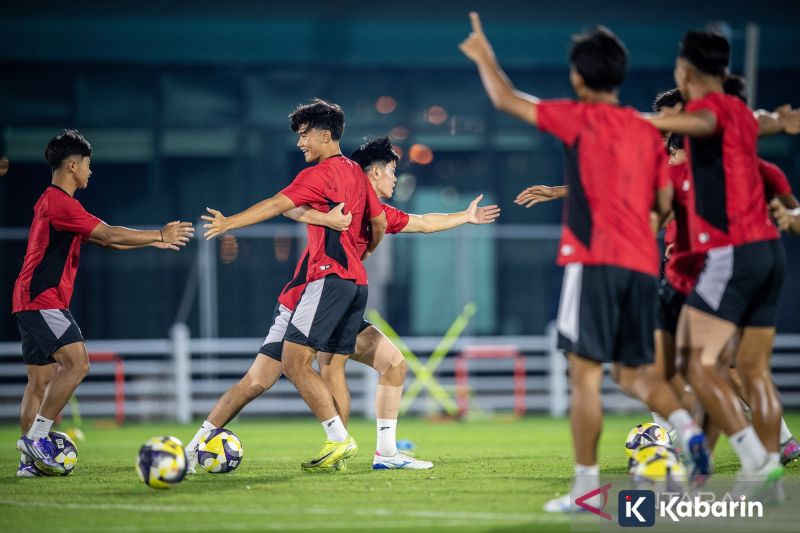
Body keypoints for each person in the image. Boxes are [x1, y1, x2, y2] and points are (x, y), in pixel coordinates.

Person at [459, 14, 709, 513]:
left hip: (592, 261)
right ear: (619, 75)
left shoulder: (580, 116)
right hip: (642, 265)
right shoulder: (646, 128)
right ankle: (689, 431)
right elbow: (662, 204)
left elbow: (508, 100)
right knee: (636, 375)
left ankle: (586, 491)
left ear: (578, 78)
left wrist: (485, 58)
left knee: (585, 377)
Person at [187, 136, 499, 471]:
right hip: (307, 296)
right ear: (375, 173)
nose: (396, 178)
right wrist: (322, 220)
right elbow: (288, 204)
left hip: (333, 295)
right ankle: (196, 448)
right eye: (393, 171)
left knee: (388, 365)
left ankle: (382, 453)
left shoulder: (376, 211)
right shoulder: (335, 192)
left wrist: (465, 217)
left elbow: (422, 223)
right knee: (262, 380)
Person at [202, 99, 388, 471]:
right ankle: (197, 445)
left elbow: (275, 204)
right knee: (323, 369)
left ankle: (339, 440)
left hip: (324, 280)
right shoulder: (354, 172)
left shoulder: (319, 174)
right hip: (352, 283)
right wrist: (361, 252)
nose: (300, 143)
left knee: (295, 361)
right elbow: (379, 223)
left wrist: (230, 224)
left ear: (324, 134)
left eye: (304, 135)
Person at [645, 30, 797, 485]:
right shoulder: (742, 117)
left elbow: (688, 128)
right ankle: (772, 455)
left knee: (695, 363)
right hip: (769, 253)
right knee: (751, 371)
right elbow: (771, 121)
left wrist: (614, 122)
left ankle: (747, 455)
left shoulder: (704, 114)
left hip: (730, 253)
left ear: (686, 71)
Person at [14, 129, 193, 477]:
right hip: (42, 298)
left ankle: (29, 462)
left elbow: (106, 241)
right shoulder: (60, 203)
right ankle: (36, 439)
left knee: (40, 381)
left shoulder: (50, 201)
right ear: (71, 165)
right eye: (87, 165)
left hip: (27, 299)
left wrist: (151, 243)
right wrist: (158, 234)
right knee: (78, 364)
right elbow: (109, 233)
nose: (90, 172)